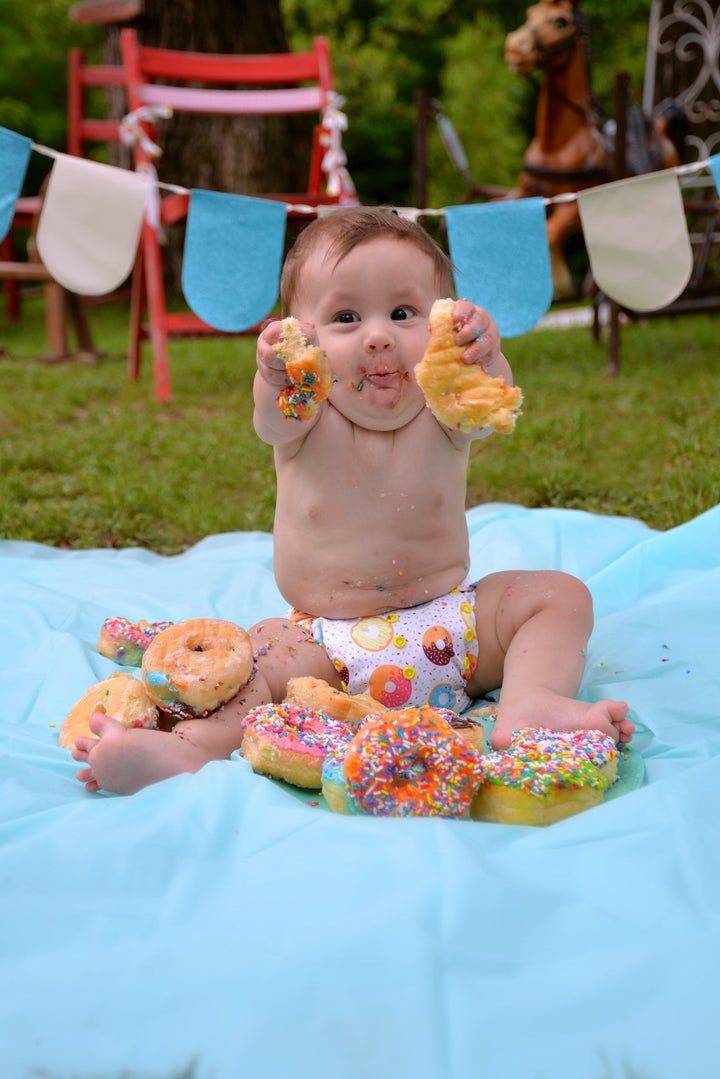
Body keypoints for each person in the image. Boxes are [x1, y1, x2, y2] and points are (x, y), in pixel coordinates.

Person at [73, 207, 633, 794]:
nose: (378, 335)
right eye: (345, 317)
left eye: (403, 313)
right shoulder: (304, 415)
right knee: (259, 654)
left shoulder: (443, 408)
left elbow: (486, 403)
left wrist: (484, 355)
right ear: (302, 339)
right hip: (326, 651)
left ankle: (528, 702)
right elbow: (272, 413)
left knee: (557, 595)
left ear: (441, 325)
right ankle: (187, 749)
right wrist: (273, 374)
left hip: (455, 630)